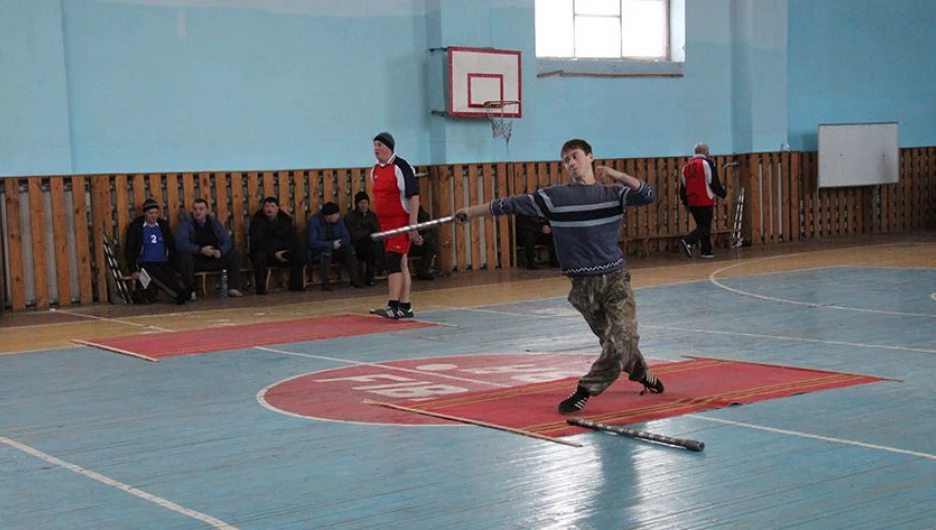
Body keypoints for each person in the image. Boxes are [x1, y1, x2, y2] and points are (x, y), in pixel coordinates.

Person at [454, 139, 665, 414]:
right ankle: (642, 374)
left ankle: (584, 391)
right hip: (583, 288)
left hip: (615, 281)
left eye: (575, 157)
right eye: (566, 160)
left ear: (590, 157)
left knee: (621, 340)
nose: (571, 164)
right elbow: (511, 204)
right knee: (614, 344)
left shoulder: (613, 193)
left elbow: (647, 195)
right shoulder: (555, 198)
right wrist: (471, 212)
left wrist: (618, 175)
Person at [369, 132, 421, 319]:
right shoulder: (374, 170)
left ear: (389, 146)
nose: (376, 149)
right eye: (374, 145)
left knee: (393, 260)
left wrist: (413, 225)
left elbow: (413, 197)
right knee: (401, 262)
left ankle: (392, 305)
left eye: (379, 145)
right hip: (385, 223)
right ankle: (405, 306)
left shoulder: (402, 167)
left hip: (400, 221)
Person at [174, 198, 243, 299]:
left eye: (201, 209)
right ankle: (191, 290)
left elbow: (227, 240)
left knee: (234, 253)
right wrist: (200, 250)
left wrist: (221, 251)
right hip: (196, 261)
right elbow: (181, 244)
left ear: (206, 210)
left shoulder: (214, 222)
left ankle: (233, 288)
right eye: (195, 209)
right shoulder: (186, 223)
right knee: (185, 256)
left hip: (214, 258)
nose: (198, 212)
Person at [123, 199, 188, 305]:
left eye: (155, 213)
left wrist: (174, 261)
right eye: (150, 213)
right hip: (146, 262)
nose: (153, 216)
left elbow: (171, 245)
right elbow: (130, 249)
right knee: (160, 278)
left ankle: (182, 290)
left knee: (170, 277)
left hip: (164, 261)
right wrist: (133, 269)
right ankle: (178, 294)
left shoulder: (162, 225)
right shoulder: (136, 227)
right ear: (145, 213)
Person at [679, 142, 727, 259]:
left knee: (702, 224)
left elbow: (683, 187)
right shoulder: (707, 163)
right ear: (705, 151)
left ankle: (706, 250)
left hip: (692, 200)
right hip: (704, 198)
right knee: (704, 226)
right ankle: (688, 241)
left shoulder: (686, 167)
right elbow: (713, 181)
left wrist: (685, 202)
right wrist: (723, 194)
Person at [249, 196, 305, 294]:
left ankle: (296, 284)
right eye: (266, 206)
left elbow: (292, 238)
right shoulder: (257, 221)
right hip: (267, 253)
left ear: (277, 208)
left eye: (272, 206)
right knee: (259, 255)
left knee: (300, 252)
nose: (269, 209)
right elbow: (258, 241)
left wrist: (286, 251)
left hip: (283, 252)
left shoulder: (285, 219)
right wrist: (274, 253)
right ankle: (261, 287)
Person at [307, 202, 362, 291]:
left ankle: (355, 280)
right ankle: (325, 283)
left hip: (337, 248)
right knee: (327, 251)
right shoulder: (314, 222)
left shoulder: (339, 221)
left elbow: (346, 237)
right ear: (329, 216)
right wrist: (331, 244)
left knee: (349, 249)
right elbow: (312, 243)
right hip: (319, 251)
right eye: (336, 214)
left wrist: (339, 243)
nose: (338, 216)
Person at [344, 191, 382, 286]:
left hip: (370, 244)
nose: (364, 205)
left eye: (365, 203)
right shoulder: (350, 217)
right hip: (356, 245)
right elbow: (354, 235)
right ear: (357, 204)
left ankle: (370, 278)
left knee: (373, 248)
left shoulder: (372, 216)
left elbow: (377, 231)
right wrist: (368, 234)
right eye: (361, 203)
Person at [408, 206, 437, 281]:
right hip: (406, 243)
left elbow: (431, 231)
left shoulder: (423, 215)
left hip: (419, 243)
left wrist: (422, 238)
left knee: (431, 244)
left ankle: (423, 271)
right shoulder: (401, 216)